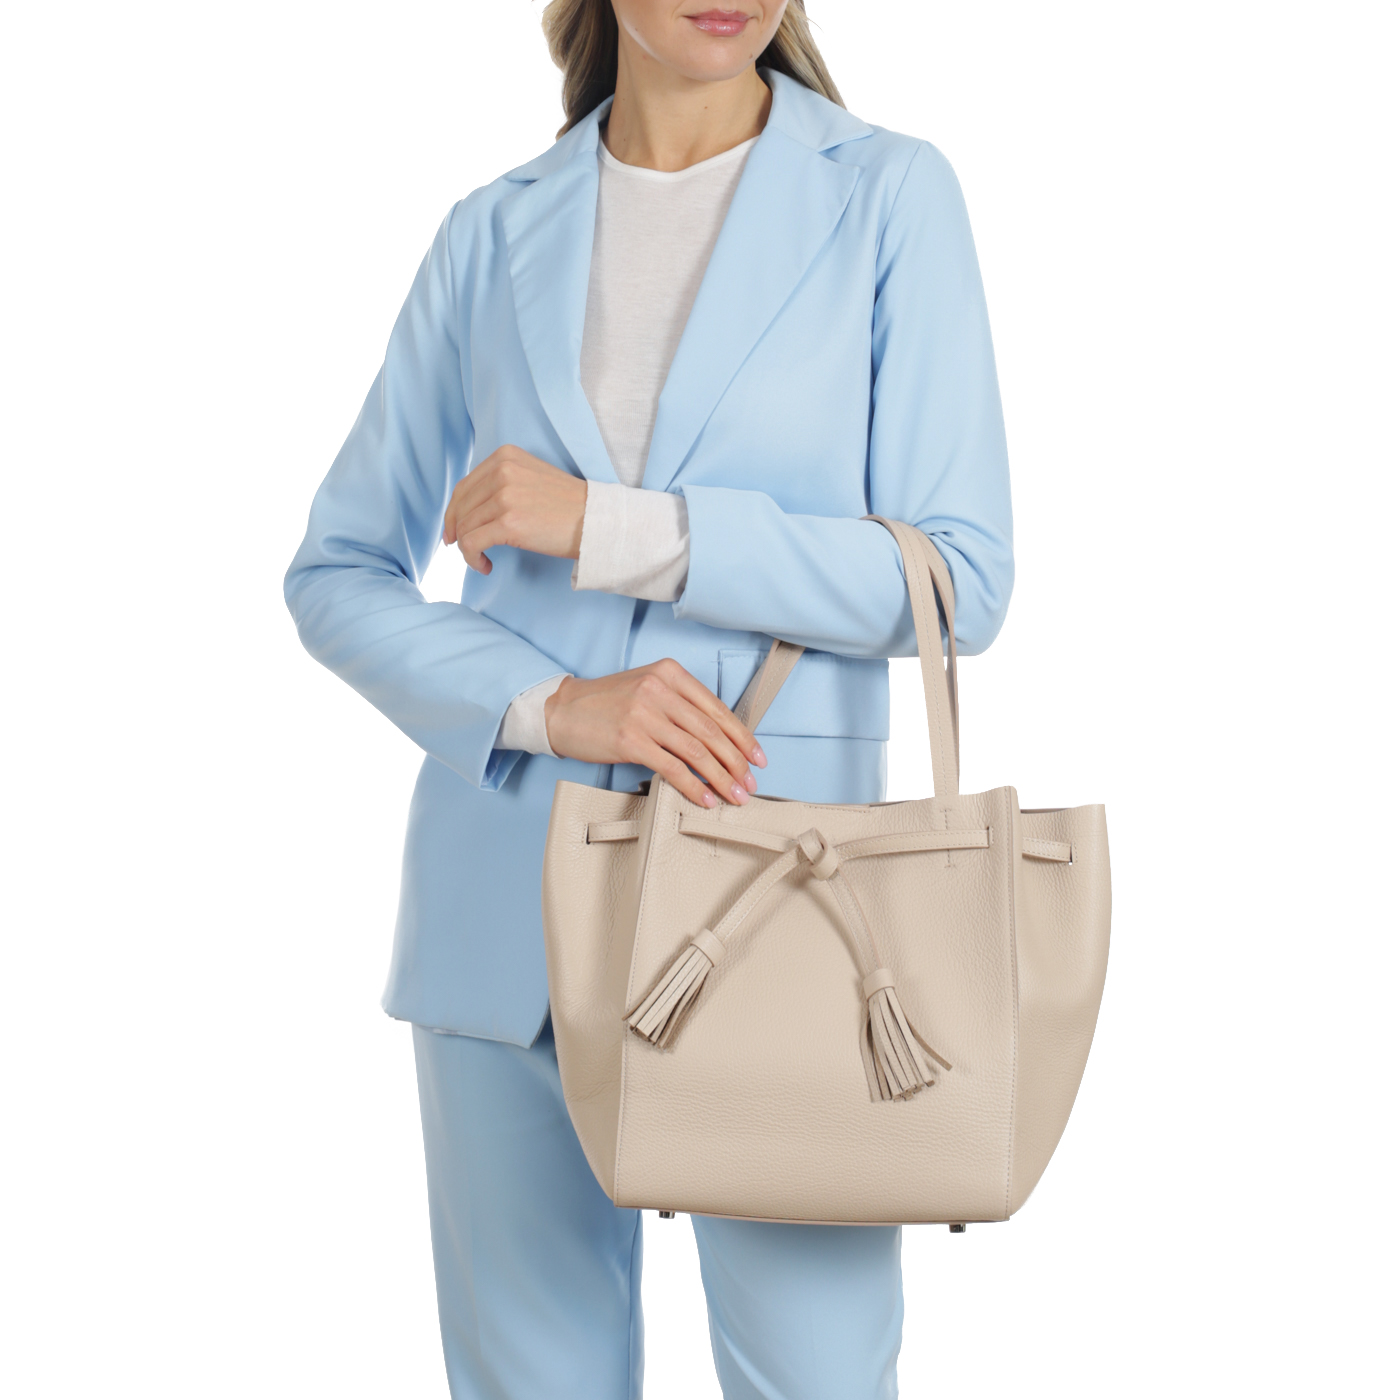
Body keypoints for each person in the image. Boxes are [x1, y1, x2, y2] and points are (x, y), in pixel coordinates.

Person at [285, 2, 1014, 1395]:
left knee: (816, 1378)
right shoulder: (490, 231)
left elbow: (958, 579)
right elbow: (336, 572)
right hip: (505, 913)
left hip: (785, 902)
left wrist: (621, 530)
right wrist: (552, 703)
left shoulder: (888, 195)